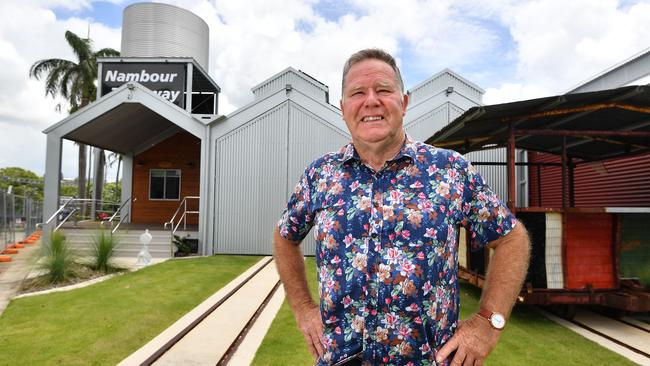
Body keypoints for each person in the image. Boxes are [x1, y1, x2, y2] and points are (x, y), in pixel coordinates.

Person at [274, 48, 530, 366]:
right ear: (342, 108)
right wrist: (302, 308)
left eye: (383, 90)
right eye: (357, 93)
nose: (371, 101)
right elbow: (285, 235)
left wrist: (487, 323)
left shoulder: (449, 170)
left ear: (404, 103)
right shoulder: (320, 175)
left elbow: (511, 238)